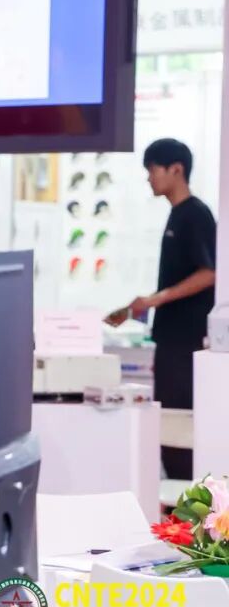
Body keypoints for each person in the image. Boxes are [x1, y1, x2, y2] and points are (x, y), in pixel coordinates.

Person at [107, 139, 216, 415]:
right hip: (170, 339)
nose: (149, 178)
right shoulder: (177, 214)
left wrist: (155, 300)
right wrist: (144, 304)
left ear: (176, 169)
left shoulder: (196, 215)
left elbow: (209, 273)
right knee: (165, 413)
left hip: (187, 340)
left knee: (178, 417)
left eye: (153, 170)